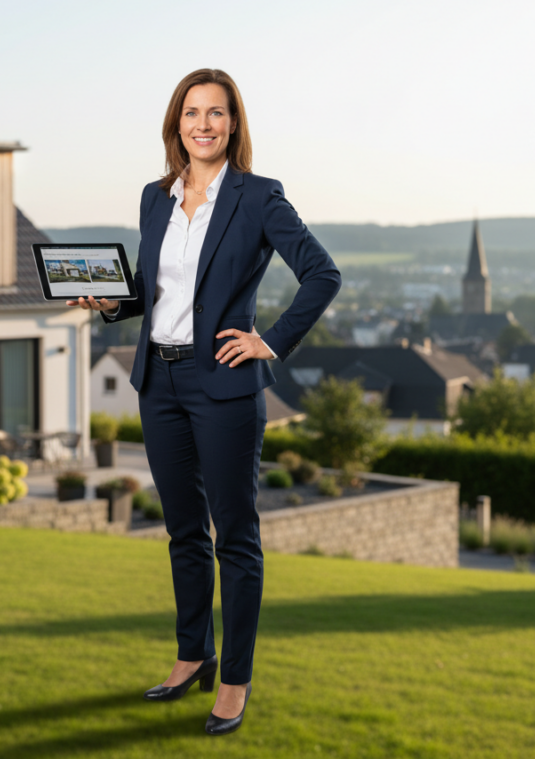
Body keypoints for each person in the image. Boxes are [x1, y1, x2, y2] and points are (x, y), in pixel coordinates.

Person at [67, 69, 341, 736]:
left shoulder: (258, 197)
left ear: (233, 125)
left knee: (235, 539)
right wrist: (110, 303)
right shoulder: (154, 197)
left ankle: (235, 680)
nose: (203, 124)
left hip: (222, 388)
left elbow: (322, 273)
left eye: (216, 114)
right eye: (192, 113)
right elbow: (152, 289)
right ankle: (193, 655)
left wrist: (269, 341)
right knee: (184, 531)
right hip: (157, 384)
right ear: (177, 124)